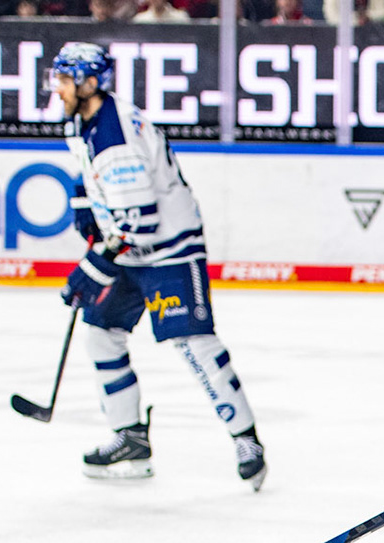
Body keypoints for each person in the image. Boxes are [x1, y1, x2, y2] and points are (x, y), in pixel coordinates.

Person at [49, 43, 267, 488]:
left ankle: (247, 440)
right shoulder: (87, 120)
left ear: (89, 84)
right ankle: (128, 435)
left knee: (194, 343)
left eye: (65, 80)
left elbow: (140, 220)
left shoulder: (116, 137)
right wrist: (84, 203)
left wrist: (92, 267)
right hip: (129, 250)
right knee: (101, 334)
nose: (58, 88)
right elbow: (92, 174)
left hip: (168, 251)